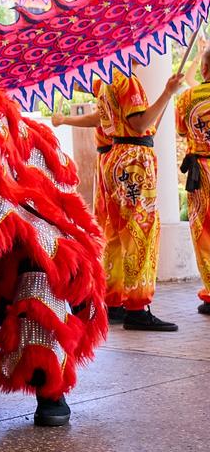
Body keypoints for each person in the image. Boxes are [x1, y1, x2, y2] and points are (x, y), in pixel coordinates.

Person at [54, 70, 183, 331]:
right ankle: (137, 307)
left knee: (115, 233)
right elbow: (138, 124)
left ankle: (114, 301)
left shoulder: (106, 83)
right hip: (133, 158)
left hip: (115, 157)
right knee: (140, 231)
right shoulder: (126, 80)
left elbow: (107, 120)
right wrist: (167, 93)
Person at [175, 48, 210, 315]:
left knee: (203, 230)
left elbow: (180, 130)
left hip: (201, 171)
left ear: (204, 69)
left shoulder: (187, 98)